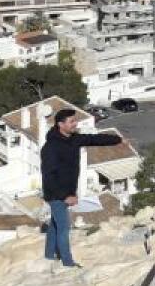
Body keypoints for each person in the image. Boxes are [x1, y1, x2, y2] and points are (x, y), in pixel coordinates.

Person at [41, 108, 122, 268]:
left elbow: (94, 139)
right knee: (64, 228)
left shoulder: (74, 139)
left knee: (55, 224)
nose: (75, 124)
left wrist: (118, 140)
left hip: (67, 191)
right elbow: (48, 176)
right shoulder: (51, 147)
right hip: (56, 194)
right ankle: (68, 263)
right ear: (60, 124)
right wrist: (65, 196)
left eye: (75, 120)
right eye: (71, 121)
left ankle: (49, 255)